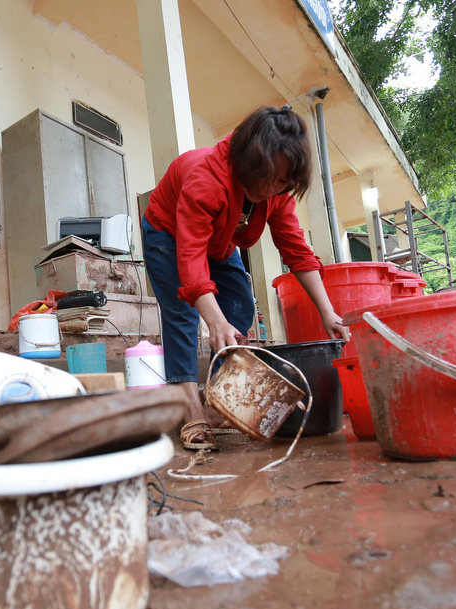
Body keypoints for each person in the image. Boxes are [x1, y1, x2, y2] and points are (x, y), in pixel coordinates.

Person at [142, 105, 349, 450]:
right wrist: (213, 322)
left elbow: (296, 251)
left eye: (282, 182)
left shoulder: (278, 193)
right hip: (168, 234)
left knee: (239, 307)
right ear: (249, 160)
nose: (271, 188)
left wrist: (327, 311)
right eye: (267, 176)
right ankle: (190, 409)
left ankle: (215, 395)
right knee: (182, 316)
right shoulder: (205, 176)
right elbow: (190, 258)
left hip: (219, 241)